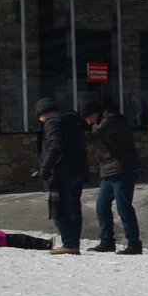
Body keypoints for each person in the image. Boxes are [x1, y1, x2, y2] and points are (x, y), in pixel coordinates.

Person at [82, 99, 143, 255]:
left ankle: (134, 244)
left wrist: (77, 132)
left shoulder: (112, 119)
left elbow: (95, 136)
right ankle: (107, 241)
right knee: (101, 206)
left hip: (124, 169)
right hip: (110, 171)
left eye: (88, 118)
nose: (87, 122)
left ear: (95, 114)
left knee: (123, 207)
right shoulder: (100, 121)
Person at [36, 97, 88, 254]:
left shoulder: (52, 123)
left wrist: (45, 168)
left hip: (61, 173)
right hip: (78, 170)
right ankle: (73, 242)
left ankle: (69, 243)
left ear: (44, 113)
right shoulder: (72, 121)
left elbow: (55, 146)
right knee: (74, 208)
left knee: (59, 209)